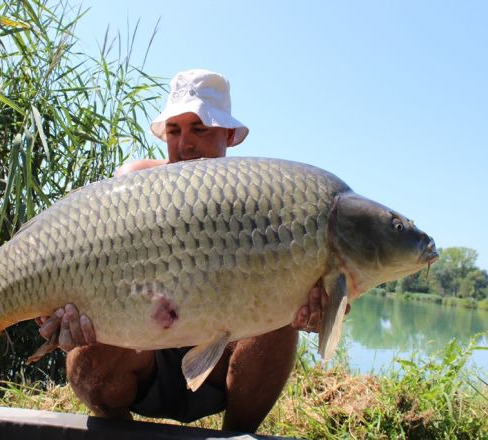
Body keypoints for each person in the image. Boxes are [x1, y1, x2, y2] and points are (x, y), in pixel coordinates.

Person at [36, 69, 339, 433]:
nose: (185, 144)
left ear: (228, 135)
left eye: (200, 129)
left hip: (219, 372)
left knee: (280, 324)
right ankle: (116, 431)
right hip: (142, 363)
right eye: (175, 131)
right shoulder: (134, 184)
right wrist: (53, 311)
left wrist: (318, 305)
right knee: (90, 342)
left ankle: (237, 435)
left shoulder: (258, 201)